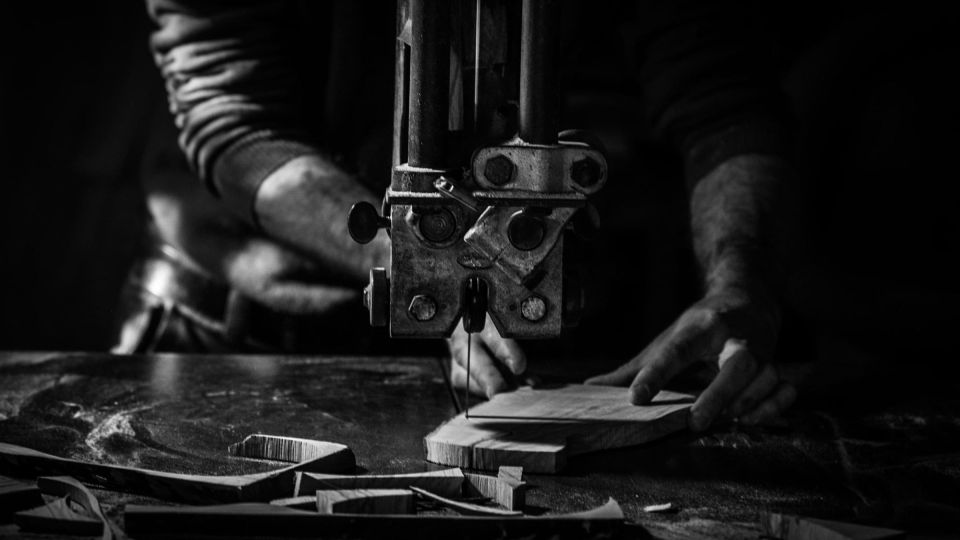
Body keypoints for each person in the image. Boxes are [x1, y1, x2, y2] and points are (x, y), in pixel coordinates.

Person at [119, 0, 796, 432]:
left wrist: (740, 280)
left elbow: (723, 98)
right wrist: (420, 262)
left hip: (550, 325)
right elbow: (238, 133)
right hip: (250, 325)